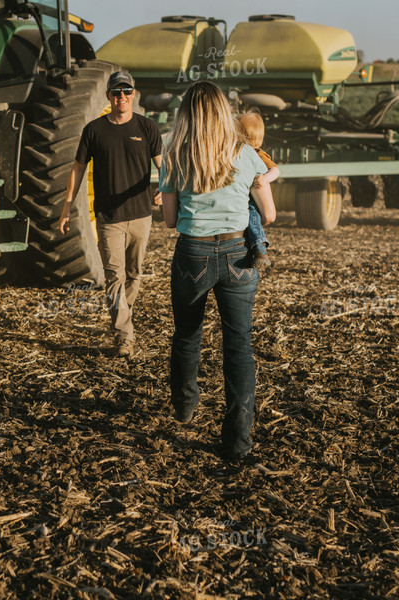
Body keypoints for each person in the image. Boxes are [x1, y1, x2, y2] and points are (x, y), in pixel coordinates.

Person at [158, 81, 275, 461]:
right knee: (239, 344)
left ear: (186, 114)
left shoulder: (176, 154)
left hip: (193, 253)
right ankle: (238, 441)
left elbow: (170, 220)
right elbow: (269, 215)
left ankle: (185, 404)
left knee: (187, 333)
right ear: (224, 111)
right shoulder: (245, 153)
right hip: (239, 252)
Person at [59, 70, 163, 357]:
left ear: (133, 94)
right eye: (116, 92)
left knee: (134, 274)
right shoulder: (94, 130)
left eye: (127, 91)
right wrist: (67, 206)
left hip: (142, 215)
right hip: (109, 219)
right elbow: (78, 168)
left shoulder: (147, 127)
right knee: (114, 277)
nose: (122, 97)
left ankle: (122, 316)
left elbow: (162, 164)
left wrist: (165, 187)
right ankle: (124, 334)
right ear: (108, 96)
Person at [235, 112, 280, 267]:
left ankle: (260, 247)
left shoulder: (259, 155)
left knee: (252, 215)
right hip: (244, 194)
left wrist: (264, 178)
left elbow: (275, 170)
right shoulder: (238, 153)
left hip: (252, 196)